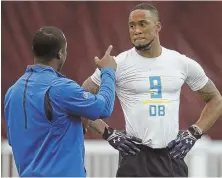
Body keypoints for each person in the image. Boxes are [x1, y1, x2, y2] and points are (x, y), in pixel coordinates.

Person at [82, 3, 222, 177]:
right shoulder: (118, 63)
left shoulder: (181, 62)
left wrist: (194, 133)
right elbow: (81, 99)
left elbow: (216, 99)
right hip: (135, 157)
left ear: (158, 27)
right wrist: (108, 134)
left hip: (172, 156)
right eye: (132, 26)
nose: (136, 30)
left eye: (142, 24)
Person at [4, 26, 119, 177]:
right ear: (60, 53)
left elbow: (15, 140)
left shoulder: (12, 92)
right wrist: (108, 71)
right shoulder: (62, 88)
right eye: (66, 50)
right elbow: (104, 108)